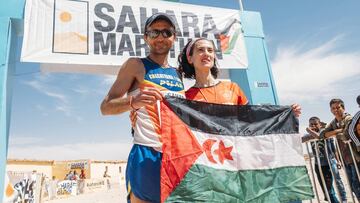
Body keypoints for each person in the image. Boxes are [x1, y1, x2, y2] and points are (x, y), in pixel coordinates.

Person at [100, 13, 184, 203]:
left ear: (174, 37)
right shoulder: (135, 65)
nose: (161, 37)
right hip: (146, 153)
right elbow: (105, 107)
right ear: (146, 37)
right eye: (154, 32)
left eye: (166, 32)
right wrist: (133, 102)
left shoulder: (177, 74)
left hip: (176, 157)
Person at [177, 38, 301, 116]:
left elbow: (251, 118)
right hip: (208, 156)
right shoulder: (186, 97)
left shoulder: (233, 88)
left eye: (210, 50)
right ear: (190, 58)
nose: (206, 54)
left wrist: (286, 114)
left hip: (235, 154)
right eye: (200, 50)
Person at [321, 98, 360, 200]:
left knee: (357, 185)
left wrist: (334, 133)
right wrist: (338, 131)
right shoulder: (334, 122)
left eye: (338, 107)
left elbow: (347, 134)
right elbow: (322, 134)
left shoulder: (349, 119)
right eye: (333, 108)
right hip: (345, 158)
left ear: (343, 108)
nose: (336, 110)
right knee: (352, 186)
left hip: (355, 157)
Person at [303, 117, 347, 203]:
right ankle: (333, 200)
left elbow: (331, 147)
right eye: (311, 124)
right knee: (326, 185)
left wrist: (338, 161)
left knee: (338, 181)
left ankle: (344, 199)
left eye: (315, 124)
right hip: (318, 164)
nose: (313, 126)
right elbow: (302, 139)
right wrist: (310, 133)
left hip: (331, 161)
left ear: (320, 124)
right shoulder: (310, 135)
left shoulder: (325, 132)